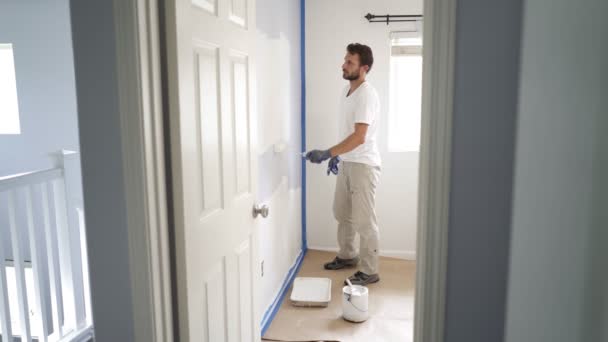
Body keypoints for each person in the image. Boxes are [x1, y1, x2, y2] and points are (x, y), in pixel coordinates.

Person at [306, 43, 381, 286]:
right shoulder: (346, 91)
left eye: (350, 62)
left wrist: (328, 153)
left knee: (364, 221)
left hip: (363, 166)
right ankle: (348, 256)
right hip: (349, 162)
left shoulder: (367, 95)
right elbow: (349, 132)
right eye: (345, 60)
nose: (344, 65)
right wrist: (339, 156)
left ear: (364, 68)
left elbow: (360, 136)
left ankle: (370, 270)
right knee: (342, 214)